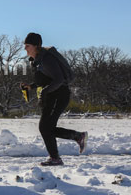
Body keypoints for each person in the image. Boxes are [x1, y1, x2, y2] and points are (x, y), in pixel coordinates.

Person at [21, 32, 88, 166]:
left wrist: (45, 92)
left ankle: (57, 156)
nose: (25, 48)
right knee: (46, 128)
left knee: (45, 127)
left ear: (36, 46)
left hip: (59, 95)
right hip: (51, 96)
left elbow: (59, 79)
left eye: (27, 45)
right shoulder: (37, 61)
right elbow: (46, 80)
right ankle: (76, 138)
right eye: (25, 45)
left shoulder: (47, 59)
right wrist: (31, 86)